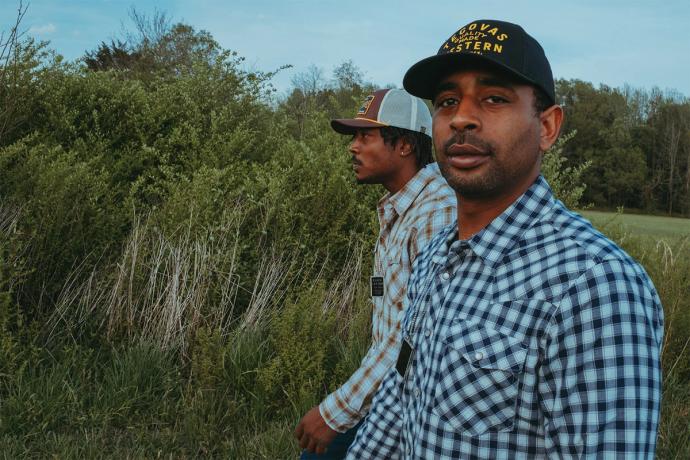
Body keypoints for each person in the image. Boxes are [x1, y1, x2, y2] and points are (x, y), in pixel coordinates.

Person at [347, 19, 664, 459]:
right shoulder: (436, 257)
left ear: (548, 127)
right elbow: (398, 406)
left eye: (494, 99)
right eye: (446, 101)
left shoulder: (596, 288)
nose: (461, 117)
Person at [294, 88, 456, 458]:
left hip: (416, 411)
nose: (353, 147)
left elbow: (412, 339)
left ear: (404, 146)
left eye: (365, 136)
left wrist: (336, 412)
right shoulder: (402, 209)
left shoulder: (436, 214)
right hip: (388, 398)